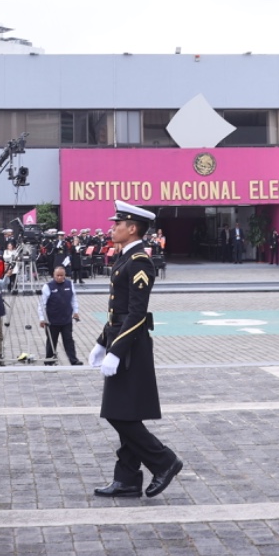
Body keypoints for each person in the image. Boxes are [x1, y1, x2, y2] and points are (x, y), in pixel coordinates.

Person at [91, 200, 183, 500]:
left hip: (131, 346)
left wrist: (116, 351)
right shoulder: (125, 258)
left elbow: (136, 313)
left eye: (117, 224)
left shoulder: (139, 261)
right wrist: (101, 342)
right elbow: (116, 312)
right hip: (121, 341)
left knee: (118, 414)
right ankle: (127, 479)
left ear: (132, 228)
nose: (112, 228)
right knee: (125, 412)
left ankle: (164, 461)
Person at [38, 264, 82, 366]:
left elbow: (74, 299)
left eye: (61, 275)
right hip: (52, 320)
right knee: (51, 341)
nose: (59, 277)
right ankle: (49, 361)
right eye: (57, 275)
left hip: (66, 319)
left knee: (69, 340)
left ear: (65, 275)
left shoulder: (69, 284)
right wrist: (42, 318)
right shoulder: (48, 286)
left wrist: (76, 311)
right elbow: (41, 304)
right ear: (53, 275)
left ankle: (73, 360)